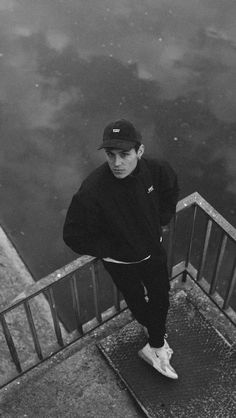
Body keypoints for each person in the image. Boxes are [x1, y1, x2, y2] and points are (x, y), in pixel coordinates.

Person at [63, 119, 179, 379]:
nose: (117, 163)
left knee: (161, 294)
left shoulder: (156, 170)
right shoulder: (93, 190)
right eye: (111, 155)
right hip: (121, 262)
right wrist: (113, 249)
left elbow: (171, 189)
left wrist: (161, 219)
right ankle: (155, 344)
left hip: (153, 252)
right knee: (136, 298)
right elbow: (72, 235)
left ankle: (155, 342)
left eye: (124, 155)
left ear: (139, 151)